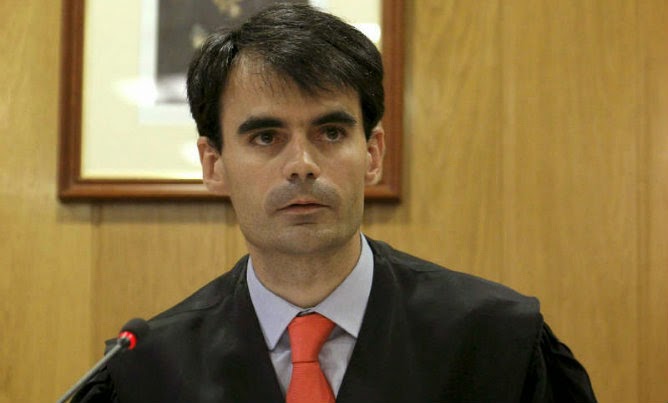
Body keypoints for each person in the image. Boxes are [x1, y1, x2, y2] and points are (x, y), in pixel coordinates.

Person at [73, 3, 596, 402]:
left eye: (330, 132)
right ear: (214, 165)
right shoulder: (147, 373)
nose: (302, 164)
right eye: (265, 137)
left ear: (372, 153)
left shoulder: (497, 341)